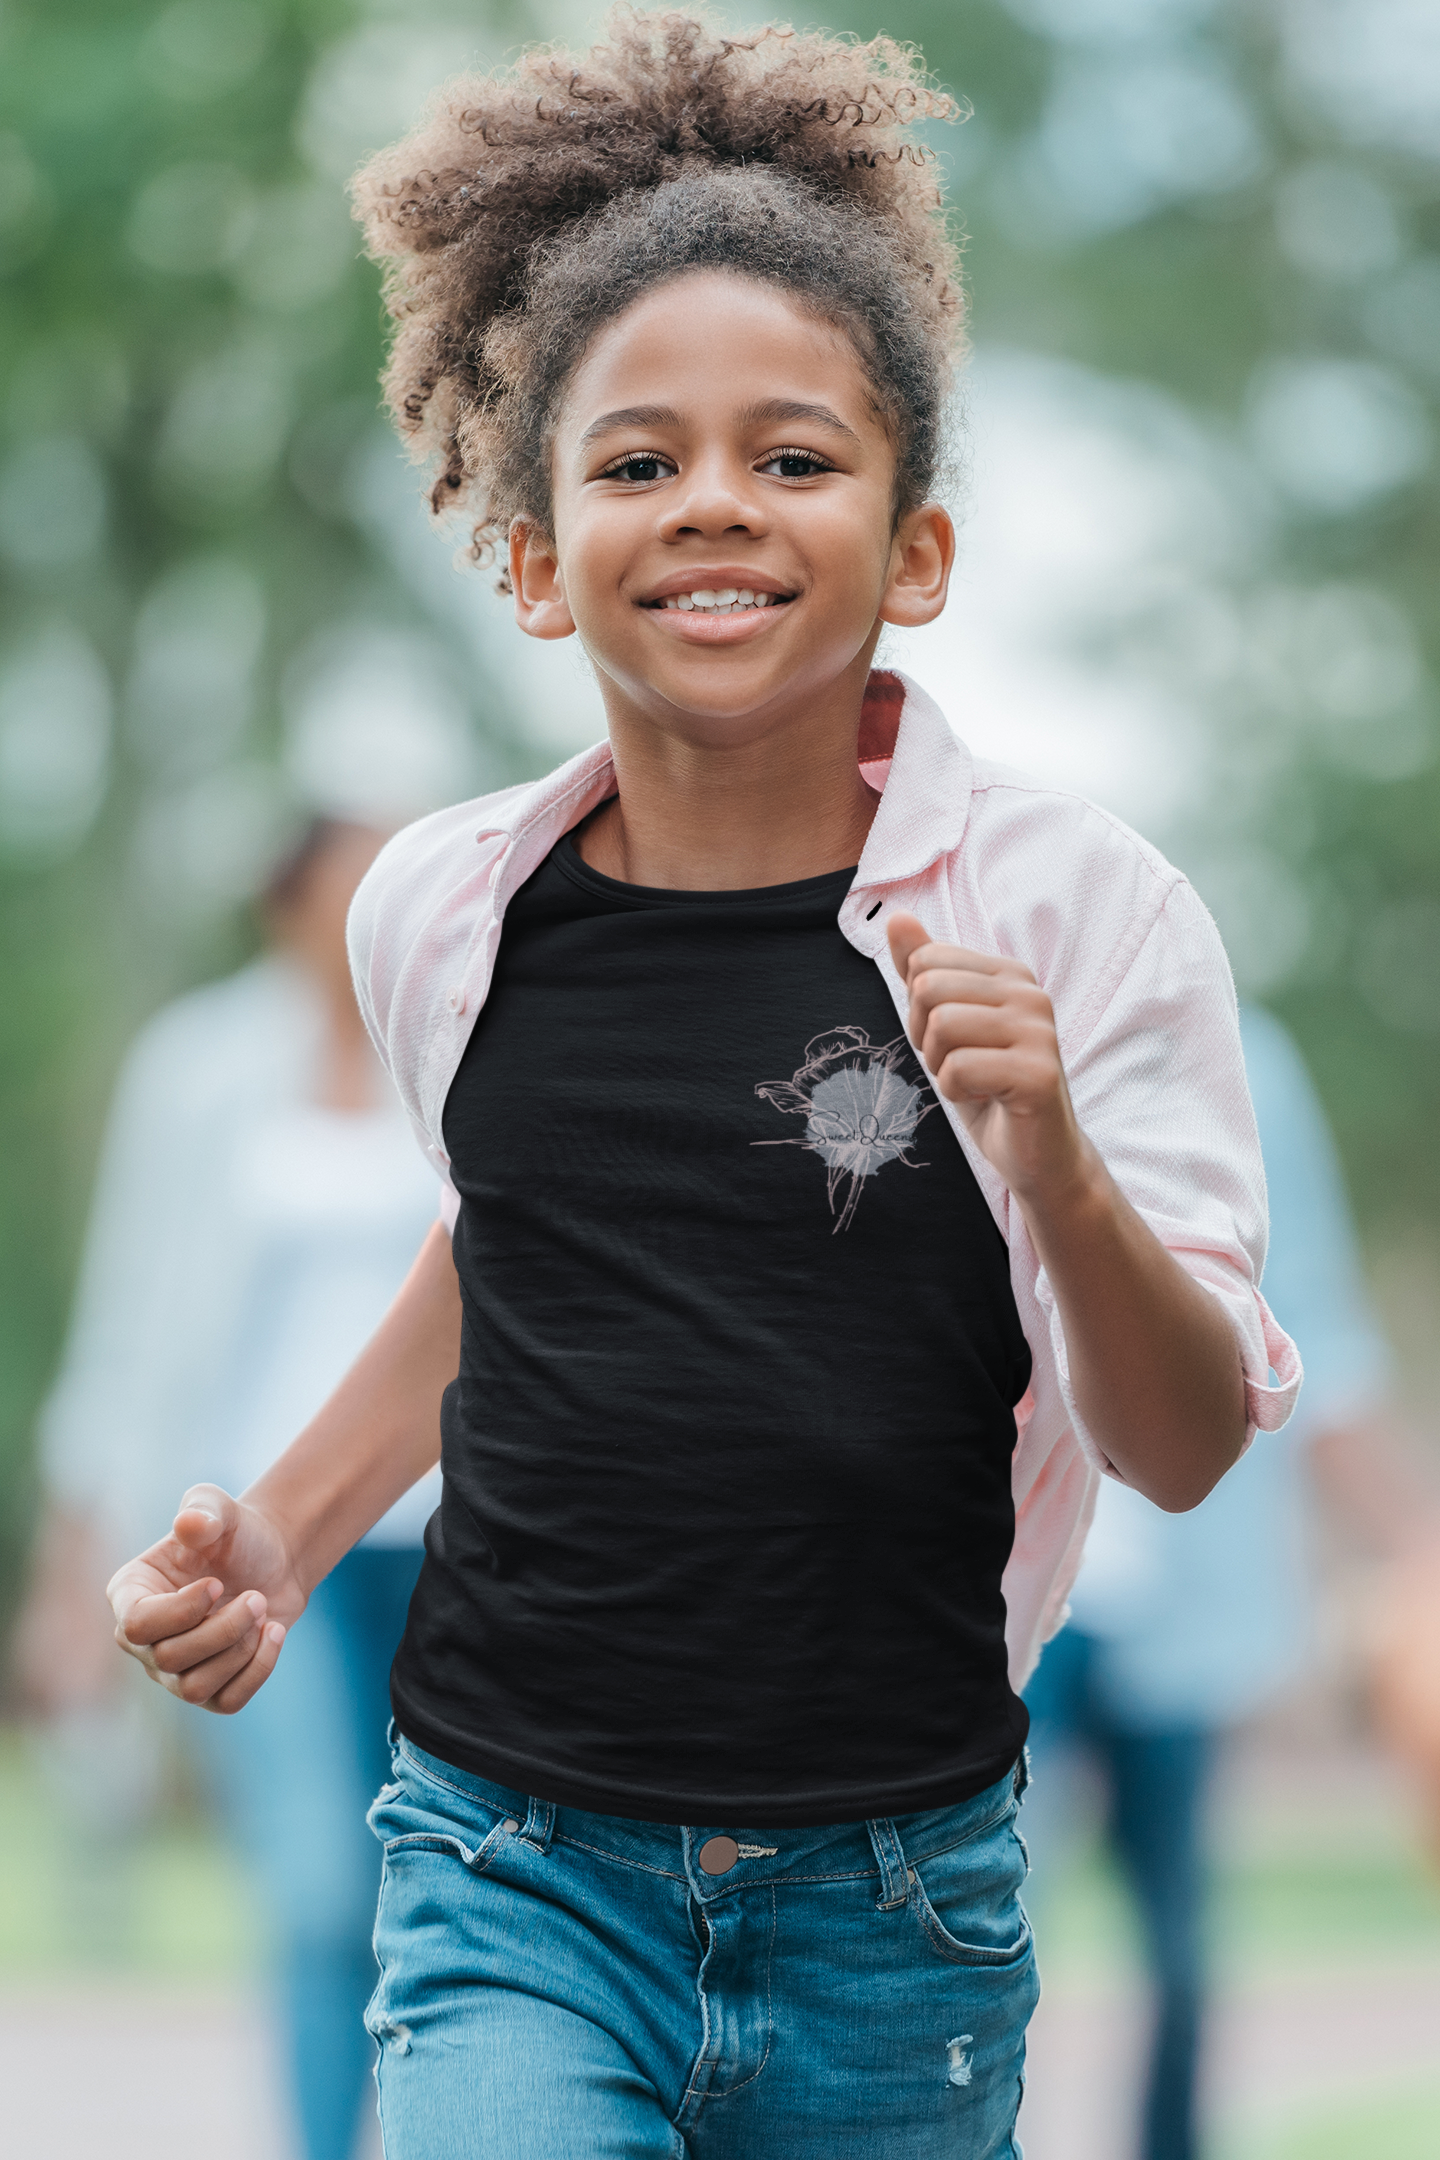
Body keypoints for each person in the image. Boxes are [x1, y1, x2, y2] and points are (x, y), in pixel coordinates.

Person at [97, 15, 1300, 2157]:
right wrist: (281, 1527)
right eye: (638, 462)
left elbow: (1183, 1445)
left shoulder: (1091, 919)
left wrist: (1056, 1164)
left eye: (796, 456)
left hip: (895, 1897)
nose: (714, 504)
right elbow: (516, 1249)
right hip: (507, 1855)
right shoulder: (440, 913)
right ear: (537, 553)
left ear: (914, 549)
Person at [14, 817, 441, 2160]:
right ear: (290, 904)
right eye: (355, 879)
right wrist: (68, 1573)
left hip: (458, 1541)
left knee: (447, 1885)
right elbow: (129, 1322)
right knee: (322, 1882)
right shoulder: (201, 1069)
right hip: (265, 1547)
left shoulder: (465, 1040)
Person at [1020, 1002, 1440, 2160]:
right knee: (987, 1923)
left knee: (1181, 1943)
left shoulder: (1246, 1062)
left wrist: (1415, 1541)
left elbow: (1315, 1331)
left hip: (1179, 1590)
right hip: (1015, 1595)